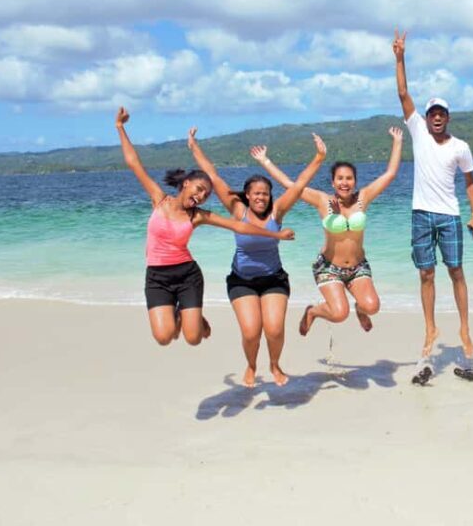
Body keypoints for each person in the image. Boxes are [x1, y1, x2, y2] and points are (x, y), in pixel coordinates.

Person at [116, 107, 294, 348]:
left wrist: (275, 234)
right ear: (186, 183)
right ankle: (183, 314)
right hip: (157, 277)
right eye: (199, 190)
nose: (201, 196)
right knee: (164, 337)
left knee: (193, 338)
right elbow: (134, 163)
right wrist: (120, 127)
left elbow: (239, 227)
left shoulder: (198, 216)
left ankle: (192, 316)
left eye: (206, 195)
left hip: (187, 275)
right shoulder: (159, 200)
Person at [187, 128, 325, 386]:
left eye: (265, 193)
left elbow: (298, 185)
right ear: (248, 195)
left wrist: (319, 157)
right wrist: (194, 146)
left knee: (274, 329)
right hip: (242, 280)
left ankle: (274, 364)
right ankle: (251, 365)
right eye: (256, 193)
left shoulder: (277, 212)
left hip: (274, 279)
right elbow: (213, 176)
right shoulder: (237, 210)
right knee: (251, 332)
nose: (261, 197)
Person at [392, 29, 473, 385]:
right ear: (426, 118)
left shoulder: (460, 147)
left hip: (450, 216)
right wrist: (400, 57)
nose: (436, 117)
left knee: (456, 271)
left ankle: (464, 328)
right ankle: (430, 327)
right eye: (432, 113)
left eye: (442, 113)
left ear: (448, 117)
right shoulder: (417, 132)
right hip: (421, 214)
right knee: (426, 274)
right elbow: (403, 93)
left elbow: (470, 182)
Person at [252, 127, 403, 336]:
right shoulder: (323, 200)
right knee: (340, 314)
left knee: (372, 307)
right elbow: (290, 184)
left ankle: (360, 310)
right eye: (340, 178)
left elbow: (390, 173)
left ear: (355, 181)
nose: (344, 183)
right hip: (329, 267)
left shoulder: (363, 197)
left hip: (358, 267)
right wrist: (265, 160)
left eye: (349, 178)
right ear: (333, 182)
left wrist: (397, 141)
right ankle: (313, 312)